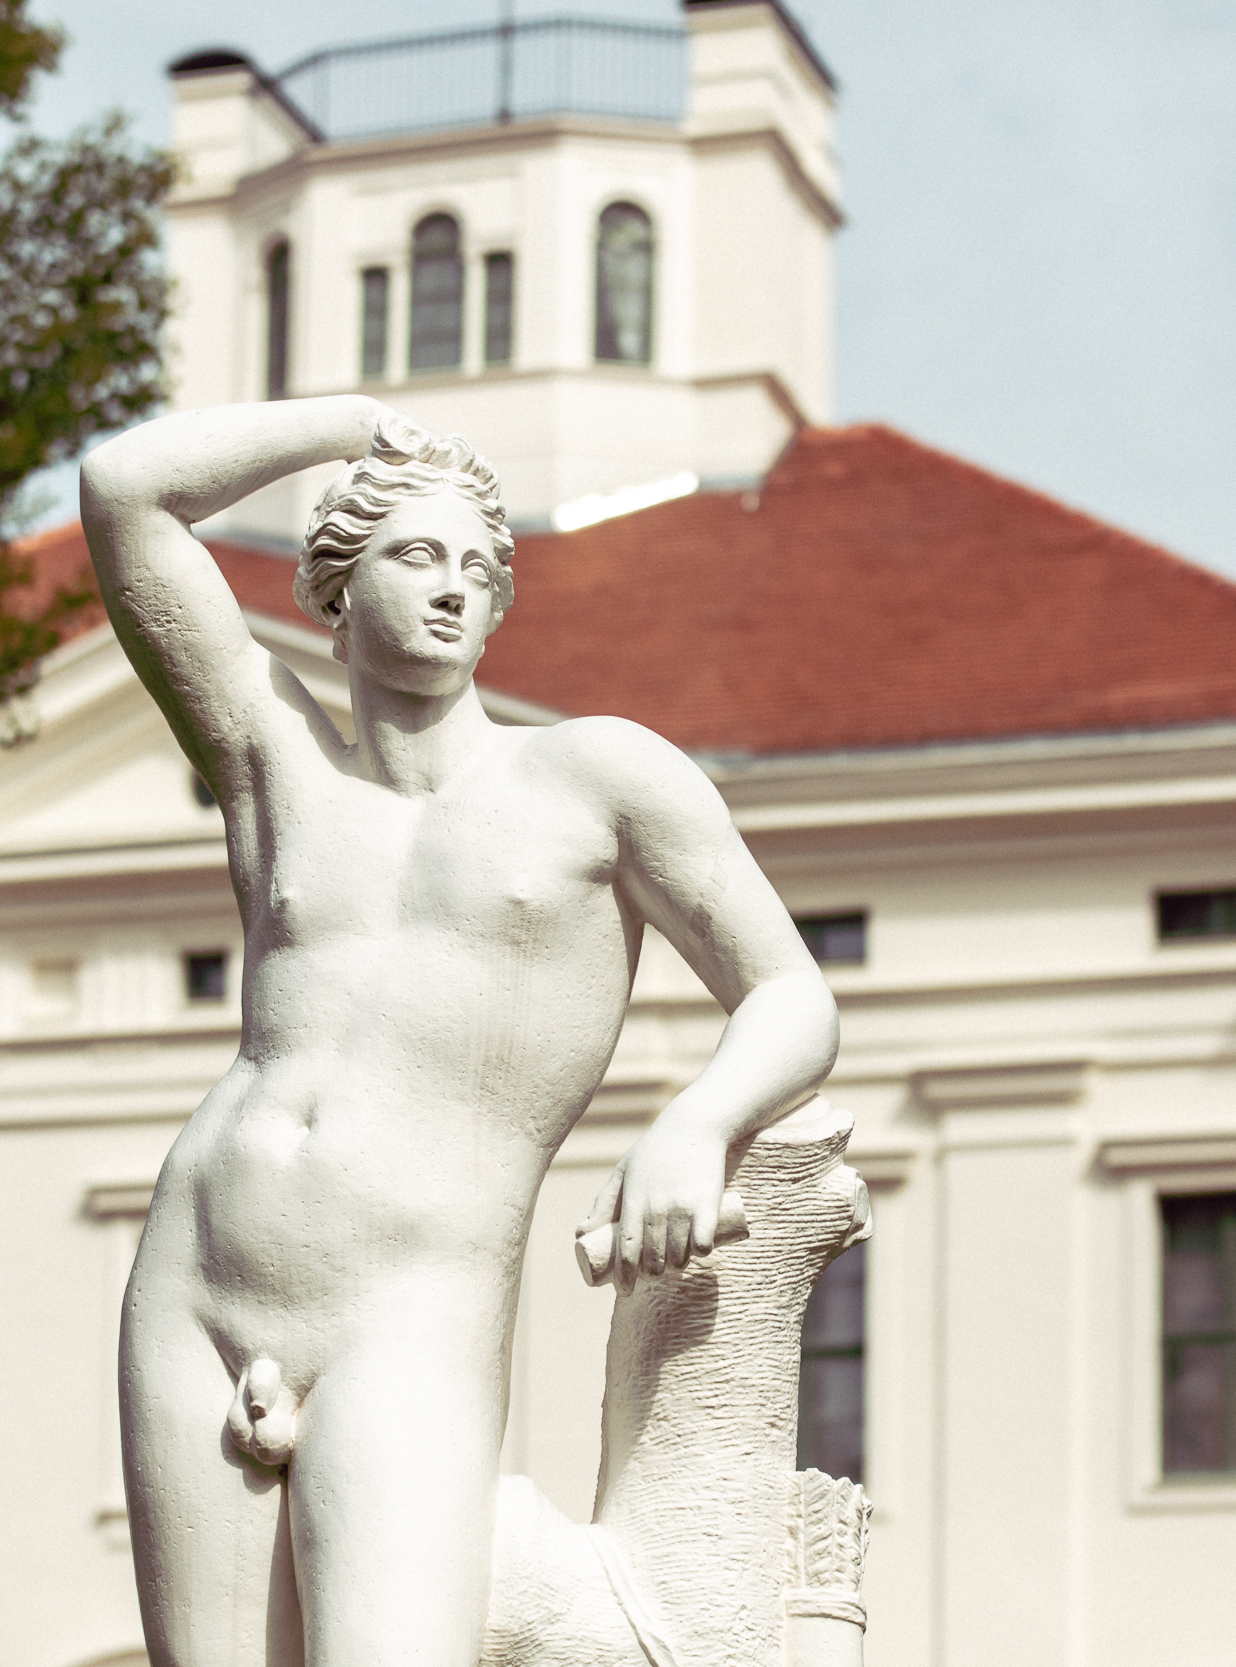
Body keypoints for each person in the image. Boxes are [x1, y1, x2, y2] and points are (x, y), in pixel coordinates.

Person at [79, 396, 841, 1667]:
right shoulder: (275, 763)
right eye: (417, 554)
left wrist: (699, 1122)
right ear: (336, 587)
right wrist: (356, 425)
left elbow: (791, 993)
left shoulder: (597, 776)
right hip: (199, 1277)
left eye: (481, 570)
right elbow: (124, 489)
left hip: (408, 1307)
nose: (454, 588)